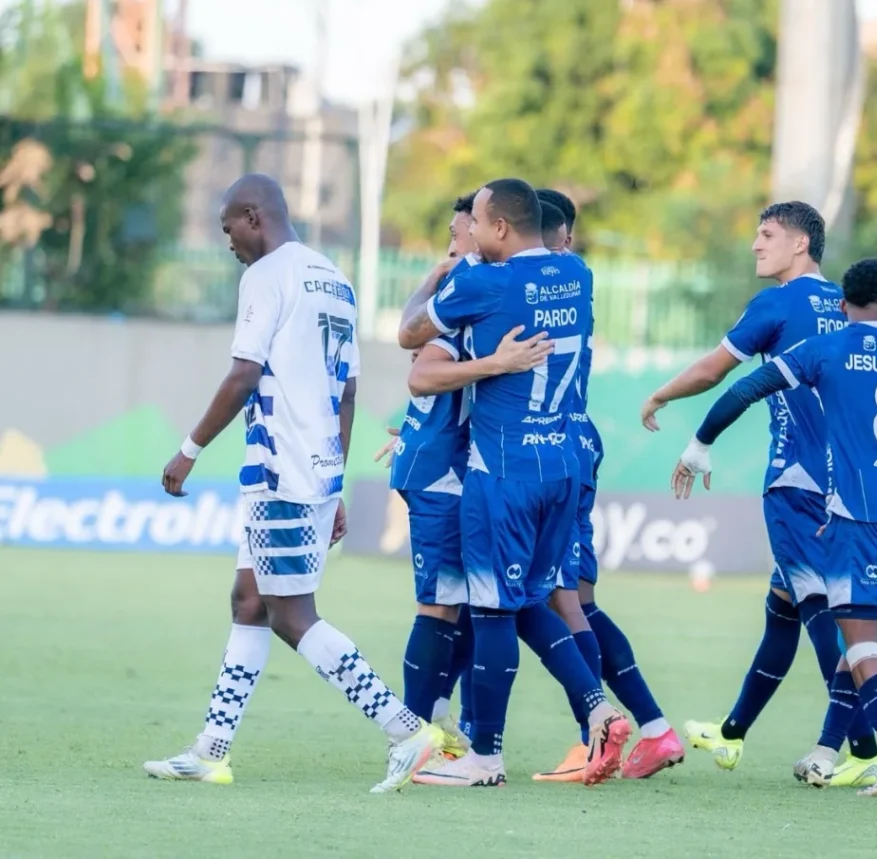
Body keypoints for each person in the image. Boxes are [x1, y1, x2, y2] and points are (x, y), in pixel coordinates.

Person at [143, 174, 442, 794]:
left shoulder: (268, 275)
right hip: (311, 467)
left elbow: (244, 374)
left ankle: (405, 730)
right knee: (248, 601)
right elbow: (349, 390)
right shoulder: (334, 278)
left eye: (229, 229)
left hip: (279, 468)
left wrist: (188, 449)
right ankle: (211, 750)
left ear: (254, 216)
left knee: (290, 615)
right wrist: (333, 481)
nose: (229, 244)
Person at [675, 257, 877, 798]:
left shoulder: (829, 347)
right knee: (855, 636)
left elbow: (747, 389)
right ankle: (826, 749)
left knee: (860, 640)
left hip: (858, 513)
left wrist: (701, 444)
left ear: (843, 307)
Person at [397, 178, 631, 787]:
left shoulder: (481, 283)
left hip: (503, 474)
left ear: (500, 227)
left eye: (475, 222)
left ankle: (485, 757)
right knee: (531, 600)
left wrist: (451, 274)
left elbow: (411, 335)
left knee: (493, 612)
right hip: (563, 467)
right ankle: (597, 707)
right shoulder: (575, 273)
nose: (469, 233)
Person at [641, 202, 877, 787]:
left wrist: (662, 397)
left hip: (796, 481)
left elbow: (713, 370)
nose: (755, 244)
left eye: (768, 234)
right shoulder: (847, 307)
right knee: (782, 610)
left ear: (800, 245)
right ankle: (732, 736)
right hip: (848, 484)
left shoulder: (778, 303)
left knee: (821, 611)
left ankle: (864, 744)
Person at [386, 194, 554, 759]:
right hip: (439, 472)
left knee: (472, 601)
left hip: (466, 466)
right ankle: (412, 730)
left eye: (474, 226)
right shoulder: (466, 292)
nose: (469, 237)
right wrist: (495, 364)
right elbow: (421, 372)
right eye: (463, 230)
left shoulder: (492, 291)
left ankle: (436, 718)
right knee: (441, 603)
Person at [533, 189, 685, 784]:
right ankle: (652, 729)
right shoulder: (572, 277)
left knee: (553, 600)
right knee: (579, 603)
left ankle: (593, 737)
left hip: (550, 446)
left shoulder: (548, 277)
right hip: (576, 439)